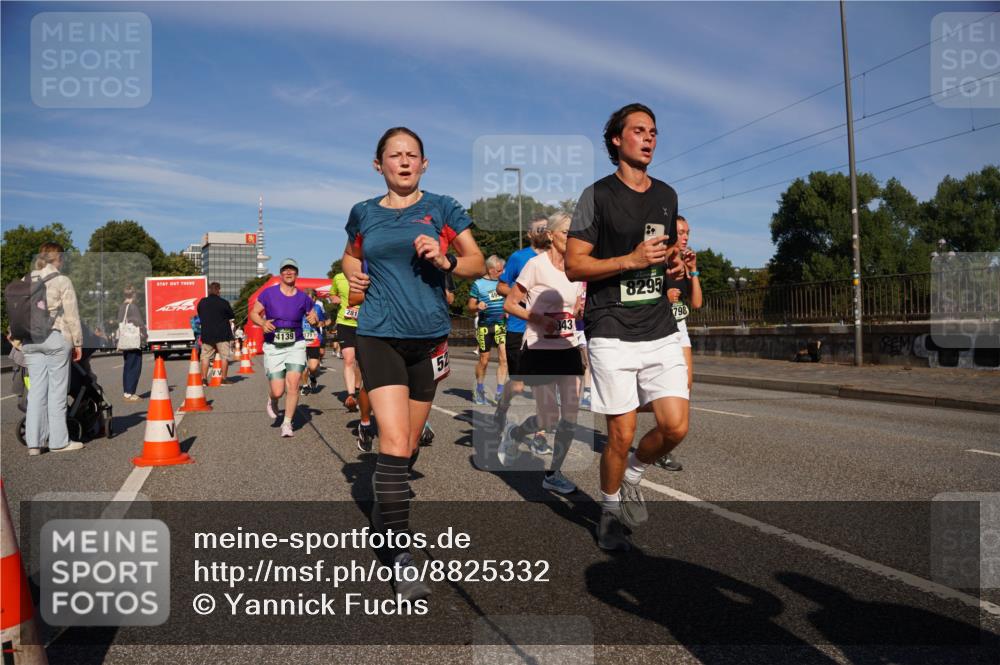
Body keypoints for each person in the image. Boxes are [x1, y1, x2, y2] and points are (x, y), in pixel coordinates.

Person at [342, 126, 484, 601]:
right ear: (378, 164)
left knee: (408, 448)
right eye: (394, 155)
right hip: (378, 333)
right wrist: (354, 275)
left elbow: (476, 261)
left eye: (412, 155)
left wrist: (445, 260)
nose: (403, 161)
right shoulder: (363, 212)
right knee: (394, 439)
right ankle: (401, 556)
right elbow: (349, 256)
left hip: (429, 340)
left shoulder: (443, 207)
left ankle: (386, 504)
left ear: (424, 164)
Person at [566, 103, 688, 551]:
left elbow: (665, 256)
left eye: (653, 131)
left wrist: (675, 263)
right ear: (617, 140)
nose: (649, 137)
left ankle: (634, 473)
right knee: (620, 433)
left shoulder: (667, 195)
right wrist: (630, 260)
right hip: (611, 324)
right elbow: (574, 265)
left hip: (658, 325)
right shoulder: (595, 196)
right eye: (639, 130)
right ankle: (610, 508)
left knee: (675, 427)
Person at [499, 213, 584, 494]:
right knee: (548, 419)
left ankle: (553, 473)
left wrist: (579, 310)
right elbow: (510, 304)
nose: (571, 238)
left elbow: (574, 307)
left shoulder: (576, 268)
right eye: (566, 232)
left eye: (575, 233)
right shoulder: (535, 265)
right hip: (539, 348)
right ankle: (516, 433)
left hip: (568, 348)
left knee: (570, 416)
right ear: (551, 235)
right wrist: (537, 318)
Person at [494, 215, 554, 454]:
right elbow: (501, 286)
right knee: (518, 386)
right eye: (539, 229)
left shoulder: (556, 258)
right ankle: (502, 407)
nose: (544, 232)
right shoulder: (519, 257)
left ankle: (540, 434)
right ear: (529, 234)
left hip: (546, 332)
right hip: (519, 329)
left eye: (547, 228)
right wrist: (523, 292)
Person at [21, 242, 85, 455]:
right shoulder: (61, 280)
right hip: (54, 337)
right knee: (57, 392)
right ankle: (58, 442)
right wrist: (77, 342)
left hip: (30, 340)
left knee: (36, 392)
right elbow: (71, 315)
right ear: (60, 258)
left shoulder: (26, 279)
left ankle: (34, 443)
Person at [249, 259, 318, 438]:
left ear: (297, 274)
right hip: (274, 346)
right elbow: (254, 313)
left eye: (292, 270)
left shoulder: (303, 297)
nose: (288, 273)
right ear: (280, 274)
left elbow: (313, 317)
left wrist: (314, 319)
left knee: (293, 384)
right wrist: (263, 323)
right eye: (285, 270)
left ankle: (287, 423)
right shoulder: (268, 293)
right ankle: (272, 399)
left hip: (296, 345)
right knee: (278, 391)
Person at [656, 215, 702, 472]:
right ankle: (659, 441)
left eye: (688, 232)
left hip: (680, 330)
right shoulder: (656, 262)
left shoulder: (685, 263)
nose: (685, 237)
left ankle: (665, 445)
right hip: (658, 330)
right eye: (681, 232)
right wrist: (665, 297)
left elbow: (696, 303)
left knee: (685, 387)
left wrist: (693, 270)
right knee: (661, 392)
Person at [332, 270, 376, 451]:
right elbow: (333, 294)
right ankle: (351, 394)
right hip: (345, 323)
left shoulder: (369, 274)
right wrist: (335, 299)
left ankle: (359, 391)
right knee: (349, 359)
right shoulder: (338, 277)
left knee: (361, 361)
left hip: (364, 323)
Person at [468, 255, 508, 405]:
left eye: (503, 270)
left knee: (504, 358)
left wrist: (508, 309)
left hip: (500, 325)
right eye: (499, 270)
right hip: (485, 326)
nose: (502, 272)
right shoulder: (478, 284)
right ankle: (479, 389)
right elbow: (470, 306)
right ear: (490, 270)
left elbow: (509, 298)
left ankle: (499, 392)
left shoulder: (503, 283)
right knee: (484, 360)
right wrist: (477, 306)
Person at [197, 281, 235, 385]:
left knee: (205, 357)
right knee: (224, 357)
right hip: (222, 334)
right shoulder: (224, 302)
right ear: (218, 290)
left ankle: (204, 379)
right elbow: (231, 315)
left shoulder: (202, 302)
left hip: (207, 334)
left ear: (209, 290)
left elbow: (199, 314)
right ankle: (224, 379)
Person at [116, 285, 146, 401]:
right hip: (133, 340)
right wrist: (145, 333)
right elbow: (139, 322)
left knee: (128, 365)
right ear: (133, 294)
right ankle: (130, 392)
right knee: (134, 366)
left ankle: (127, 392)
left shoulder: (122, 307)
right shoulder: (133, 307)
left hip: (126, 339)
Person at [300, 288, 329, 395]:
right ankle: (305, 386)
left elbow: (326, 320)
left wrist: (319, 324)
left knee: (312, 367)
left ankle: (312, 376)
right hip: (300, 340)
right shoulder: (298, 307)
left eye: (308, 298)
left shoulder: (317, 308)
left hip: (314, 340)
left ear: (314, 298)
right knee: (303, 366)